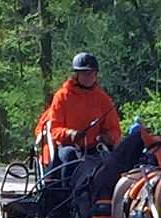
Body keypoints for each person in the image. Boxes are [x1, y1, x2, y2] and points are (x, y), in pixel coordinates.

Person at [34, 53, 122, 181]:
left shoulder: (103, 100)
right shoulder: (62, 97)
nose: (89, 77)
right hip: (67, 147)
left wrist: (108, 138)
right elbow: (53, 129)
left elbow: (115, 130)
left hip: (94, 148)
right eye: (85, 73)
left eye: (92, 73)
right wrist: (70, 133)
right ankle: (67, 195)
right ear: (77, 74)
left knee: (109, 161)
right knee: (70, 156)